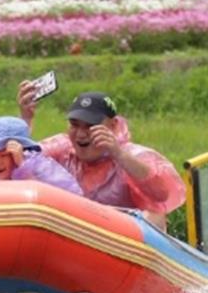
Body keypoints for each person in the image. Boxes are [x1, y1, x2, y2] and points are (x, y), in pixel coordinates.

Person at [17, 85, 186, 230]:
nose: (81, 134)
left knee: (155, 216)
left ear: (113, 125)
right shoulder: (63, 148)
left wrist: (119, 154)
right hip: (73, 235)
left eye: (90, 126)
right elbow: (19, 158)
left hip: (123, 240)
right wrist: (26, 119)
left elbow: (163, 195)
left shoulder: (134, 155)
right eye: (75, 125)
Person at [0, 116, 83, 196]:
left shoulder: (41, 168)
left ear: (21, 151)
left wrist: (22, 167)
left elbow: (43, 196)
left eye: (4, 155)